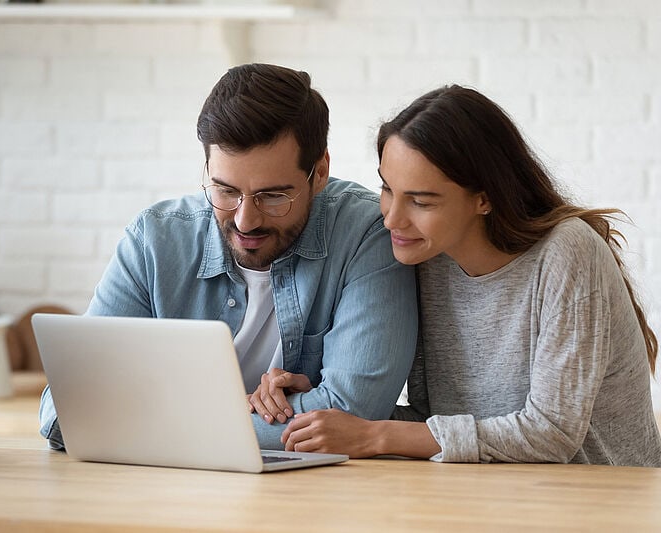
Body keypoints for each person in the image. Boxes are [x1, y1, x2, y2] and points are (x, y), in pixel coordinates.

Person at [39, 63, 418, 450]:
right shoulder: (154, 240)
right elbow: (64, 411)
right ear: (206, 168)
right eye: (225, 190)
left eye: (272, 196)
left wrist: (153, 420)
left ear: (319, 172)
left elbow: (355, 412)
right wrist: (234, 415)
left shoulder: (367, 234)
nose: (245, 220)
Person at [280, 85, 661, 466]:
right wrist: (328, 411)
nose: (391, 218)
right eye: (387, 189)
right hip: (489, 495)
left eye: (421, 201)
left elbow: (552, 434)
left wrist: (377, 434)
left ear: (484, 198)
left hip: (601, 502)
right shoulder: (427, 258)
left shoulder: (567, 252)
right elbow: (440, 429)